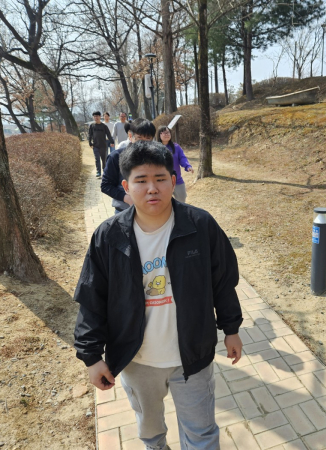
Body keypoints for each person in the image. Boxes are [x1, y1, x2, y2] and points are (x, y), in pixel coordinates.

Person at [74, 140, 243, 450]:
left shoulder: (200, 225)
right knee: (151, 434)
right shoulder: (109, 236)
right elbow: (92, 299)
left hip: (193, 356)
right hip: (137, 360)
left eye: (160, 178)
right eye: (141, 180)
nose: (152, 188)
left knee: (202, 435)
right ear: (126, 186)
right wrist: (92, 356)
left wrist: (231, 329)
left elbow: (223, 281)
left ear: (173, 181)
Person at [101, 119, 155, 214]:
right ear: (130, 136)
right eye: (139, 138)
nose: (144, 143)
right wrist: (126, 198)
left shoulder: (159, 157)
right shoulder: (116, 157)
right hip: (124, 211)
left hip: (153, 211)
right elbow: (106, 185)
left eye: (148, 139)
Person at [156, 126, 193, 203]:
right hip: (161, 181)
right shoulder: (155, 148)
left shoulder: (176, 147)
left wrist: (187, 166)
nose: (167, 134)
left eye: (168, 132)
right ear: (159, 134)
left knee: (182, 199)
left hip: (177, 180)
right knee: (164, 202)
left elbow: (182, 158)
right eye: (164, 133)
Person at [88, 111, 114, 178]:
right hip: (95, 145)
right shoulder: (92, 126)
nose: (96, 117)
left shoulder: (104, 126)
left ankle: (104, 171)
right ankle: (98, 171)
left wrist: (112, 142)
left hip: (103, 145)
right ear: (93, 117)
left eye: (97, 116)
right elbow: (90, 135)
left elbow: (109, 135)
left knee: (103, 159)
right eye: (94, 116)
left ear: (100, 117)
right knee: (97, 159)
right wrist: (90, 143)